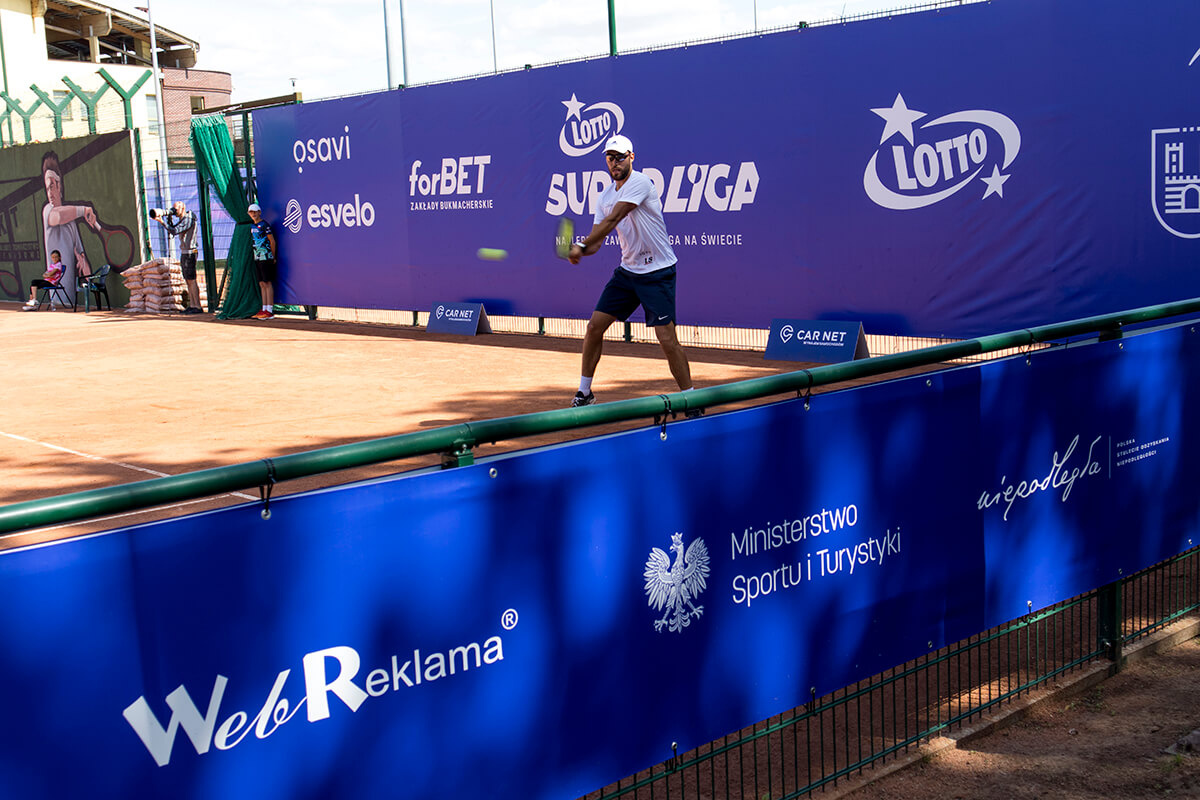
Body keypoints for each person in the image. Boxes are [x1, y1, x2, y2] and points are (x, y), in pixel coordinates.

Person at [567, 133, 697, 411]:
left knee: (667, 340)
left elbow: (615, 218)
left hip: (657, 272)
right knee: (594, 327)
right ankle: (584, 392)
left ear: (631, 157)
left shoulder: (640, 182)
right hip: (628, 273)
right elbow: (597, 243)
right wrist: (580, 250)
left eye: (620, 157)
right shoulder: (604, 196)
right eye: (610, 158)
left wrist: (582, 244)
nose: (615, 163)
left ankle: (691, 398)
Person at [41, 151, 94, 307]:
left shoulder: (71, 224)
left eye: (52, 187)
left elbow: (82, 258)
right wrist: (84, 210)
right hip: (55, 297)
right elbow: (57, 216)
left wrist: (83, 264)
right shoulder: (47, 210)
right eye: (47, 188)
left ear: (59, 186)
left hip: (71, 299)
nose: (50, 193)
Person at [154, 200, 203, 314]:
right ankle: (192, 305)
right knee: (188, 280)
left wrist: (162, 222)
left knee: (191, 280)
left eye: (176, 209)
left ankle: (197, 306)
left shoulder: (188, 219)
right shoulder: (183, 219)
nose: (174, 211)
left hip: (190, 252)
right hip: (185, 252)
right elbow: (173, 228)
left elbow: (174, 231)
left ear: (182, 208)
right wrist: (168, 219)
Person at [247, 203, 277, 320]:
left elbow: (272, 241)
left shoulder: (265, 225)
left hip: (266, 258)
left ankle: (269, 310)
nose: (253, 214)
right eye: (251, 212)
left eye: (255, 212)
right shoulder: (252, 226)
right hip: (257, 258)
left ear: (259, 212)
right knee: (261, 284)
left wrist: (272, 256)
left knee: (267, 283)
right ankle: (264, 308)